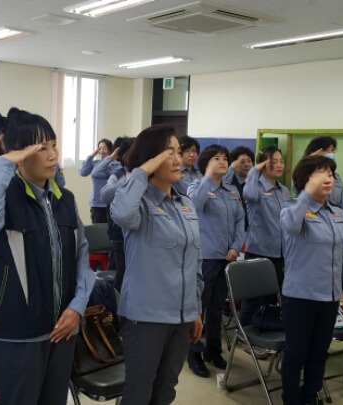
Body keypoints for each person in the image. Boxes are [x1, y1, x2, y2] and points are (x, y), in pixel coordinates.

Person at [0, 107, 95, 405]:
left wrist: (77, 307)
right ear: (20, 154)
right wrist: (3, 160)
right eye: (41, 148)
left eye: (54, 145)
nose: (52, 155)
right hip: (19, 332)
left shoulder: (65, 199)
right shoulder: (5, 197)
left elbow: (82, 258)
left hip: (63, 328)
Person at [110, 124, 203, 405]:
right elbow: (121, 214)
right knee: (138, 393)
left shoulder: (185, 204)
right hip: (146, 317)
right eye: (167, 152)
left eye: (177, 152)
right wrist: (142, 170)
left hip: (181, 316)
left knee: (165, 391)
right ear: (151, 158)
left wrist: (195, 309)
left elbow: (194, 261)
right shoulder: (137, 202)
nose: (177, 159)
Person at [280, 155, 343, 405]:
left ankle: (310, 397)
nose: (328, 178)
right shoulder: (292, 209)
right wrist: (306, 195)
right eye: (320, 173)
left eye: (330, 173)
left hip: (329, 297)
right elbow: (290, 225)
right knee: (296, 354)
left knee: (319, 353)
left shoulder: (337, 213)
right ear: (305, 179)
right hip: (300, 296)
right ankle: (291, 400)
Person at [186, 144, 245, 378]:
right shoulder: (196, 186)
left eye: (225, 158)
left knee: (217, 307)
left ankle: (213, 349)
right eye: (217, 158)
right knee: (199, 307)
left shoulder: (231, 190)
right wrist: (208, 179)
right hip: (205, 256)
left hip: (226, 257)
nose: (223, 162)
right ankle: (194, 353)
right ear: (205, 163)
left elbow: (240, 221)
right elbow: (194, 206)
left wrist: (235, 246)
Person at [240, 146, 290, 322]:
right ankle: (245, 333)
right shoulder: (255, 187)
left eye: (281, 161)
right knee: (253, 300)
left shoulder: (284, 191)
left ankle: (264, 331)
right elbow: (248, 194)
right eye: (274, 161)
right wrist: (255, 170)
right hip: (259, 252)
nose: (279, 165)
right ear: (263, 164)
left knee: (271, 300)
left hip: (280, 254)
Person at [99, 136, 135, 290]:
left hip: (138, 233)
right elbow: (105, 195)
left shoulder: (147, 174)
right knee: (123, 272)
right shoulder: (118, 175)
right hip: (120, 234)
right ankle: (117, 302)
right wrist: (127, 180)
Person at [79, 138, 121, 223]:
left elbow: (95, 173)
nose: (101, 151)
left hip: (110, 204)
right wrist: (92, 155)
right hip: (96, 205)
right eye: (99, 148)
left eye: (104, 148)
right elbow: (83, 172)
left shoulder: (115, 164)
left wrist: (110, 158)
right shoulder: (96, 163)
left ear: (110, 151)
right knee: (97, 229)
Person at [303, 136, 343, 212]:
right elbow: (296, 188)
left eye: (333, 151)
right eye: (330, 150)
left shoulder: (336, 177)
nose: (332, 154)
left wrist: (342, 217)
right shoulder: (305, 173)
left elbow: (342, 206)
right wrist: (309, 160)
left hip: (334, 217)